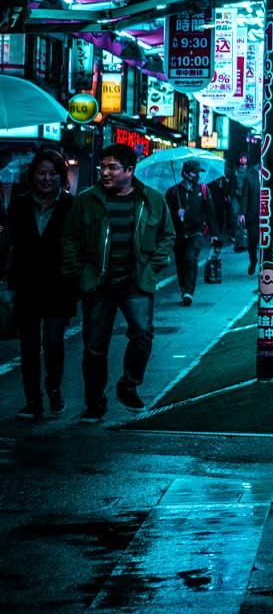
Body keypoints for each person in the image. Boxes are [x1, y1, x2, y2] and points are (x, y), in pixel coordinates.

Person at [61, 144, 175, 421]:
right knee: (94, 346)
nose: (106, 172)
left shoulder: (152, 200)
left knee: (142, 334)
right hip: (98, 284)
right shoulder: (87, 200)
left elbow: (167, 236)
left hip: (136, 282)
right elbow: (70, 239)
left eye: (112, 167)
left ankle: (129, 383)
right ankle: (94, 402)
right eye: (103, 167)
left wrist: (151, 266)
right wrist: (79, 274)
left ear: (129, 170)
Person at [7, 150, 77, 420]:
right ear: (33, 176)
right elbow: (11, 243)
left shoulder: (70, 206)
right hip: (26, 283)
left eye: (52, 173)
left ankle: (54, 388)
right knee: (28, 345)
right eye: (41, 173)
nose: (47, 179)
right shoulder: (20, 204)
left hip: (60, 284)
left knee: (53, 341)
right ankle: (32, 400)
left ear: (61, 176)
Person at [165, 160, 210, 304]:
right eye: (194, 172)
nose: (197, 175)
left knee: (191, 259)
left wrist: (215, 234)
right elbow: (164, 214)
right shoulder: (173, 192)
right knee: (180, 263)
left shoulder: (203, 190)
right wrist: (176, 213)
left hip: (196, 232)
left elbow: (211, 212)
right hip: (178, 234)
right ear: (185, 173)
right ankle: (184, 289)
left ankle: (189, 292)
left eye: (198, 172)